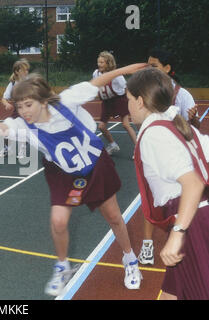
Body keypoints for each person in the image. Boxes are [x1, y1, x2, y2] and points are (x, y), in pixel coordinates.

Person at [0, 63, 147, 297]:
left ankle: (130, 258)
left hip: (94, 162)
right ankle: (63, 266)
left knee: (113, 216)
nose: (24, 111)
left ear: (43, 101)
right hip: (62, 171)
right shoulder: (23, 127)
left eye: (28, 105)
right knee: (58, 221)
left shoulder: (67, 101)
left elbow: (97, 82)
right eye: (19, 106)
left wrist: (125, 70)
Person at [128, 67, 209, 300]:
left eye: (129, 100)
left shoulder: (154, 134)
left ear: (140, 101)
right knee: (172, 293)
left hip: (190, 222)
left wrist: (177, 233)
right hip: (196, 217)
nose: (128, 106)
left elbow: (193, 184)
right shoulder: (177, 125)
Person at [138, 48, 200, 265]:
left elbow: (194, 132)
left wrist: (193, 120)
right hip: (156, 157)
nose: (149, 69)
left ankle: (183, 236)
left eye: (153, 65)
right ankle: (147, 246)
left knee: (182, 199)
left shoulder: (182, 95)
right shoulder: (146, 93)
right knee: (149, 198)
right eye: (147, 65)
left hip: (178, 159)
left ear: (167, 69)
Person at [92, 51, 137, 156]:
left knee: (126, 125)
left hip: (119, 100)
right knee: (101, 127)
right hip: (106, 102)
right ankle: (113, 145)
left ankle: (138, 149)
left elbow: (126, 88)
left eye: (102, 62)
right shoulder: (96, 73)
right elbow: (96, 85)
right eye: (98, 62)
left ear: (108, 63)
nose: (99, 64)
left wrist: (130, 101)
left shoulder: (116, 75)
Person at [0, 58, 30, 158]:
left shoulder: (30, 82)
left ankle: (22, 150)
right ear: (17, 71)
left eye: (27, 70)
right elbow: (4, 98)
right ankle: (7, 149)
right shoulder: (12, 84)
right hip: (17, 111)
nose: (26, 72)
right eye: (24, 69)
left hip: (29, 110)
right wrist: (6, 104)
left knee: (23, 130)